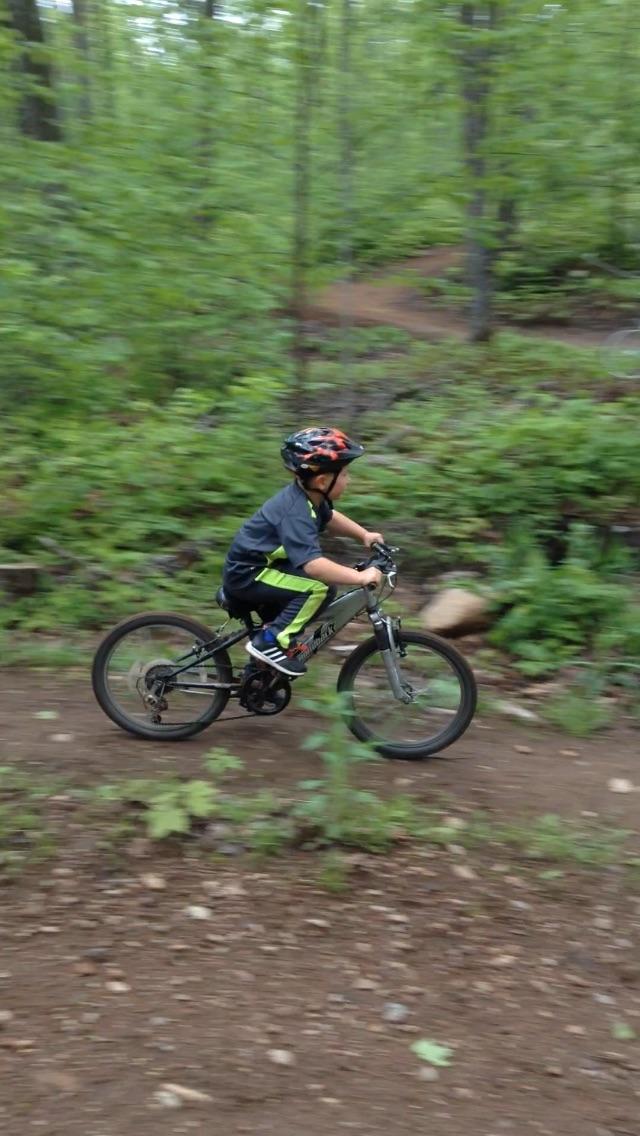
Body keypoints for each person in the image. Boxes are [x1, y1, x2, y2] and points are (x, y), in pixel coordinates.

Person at [222, 426, 384, 677]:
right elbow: (313, 565)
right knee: (316, 586)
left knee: (326, 587)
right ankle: (270, 642)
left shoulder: (311, 498)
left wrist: (364, 535)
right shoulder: (295, 511)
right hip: (249, 574)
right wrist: (361, 577)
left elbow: (330, 518)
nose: (348, 479)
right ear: (322, 481)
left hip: (266, 569)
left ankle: (265, 660)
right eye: (344, 474)